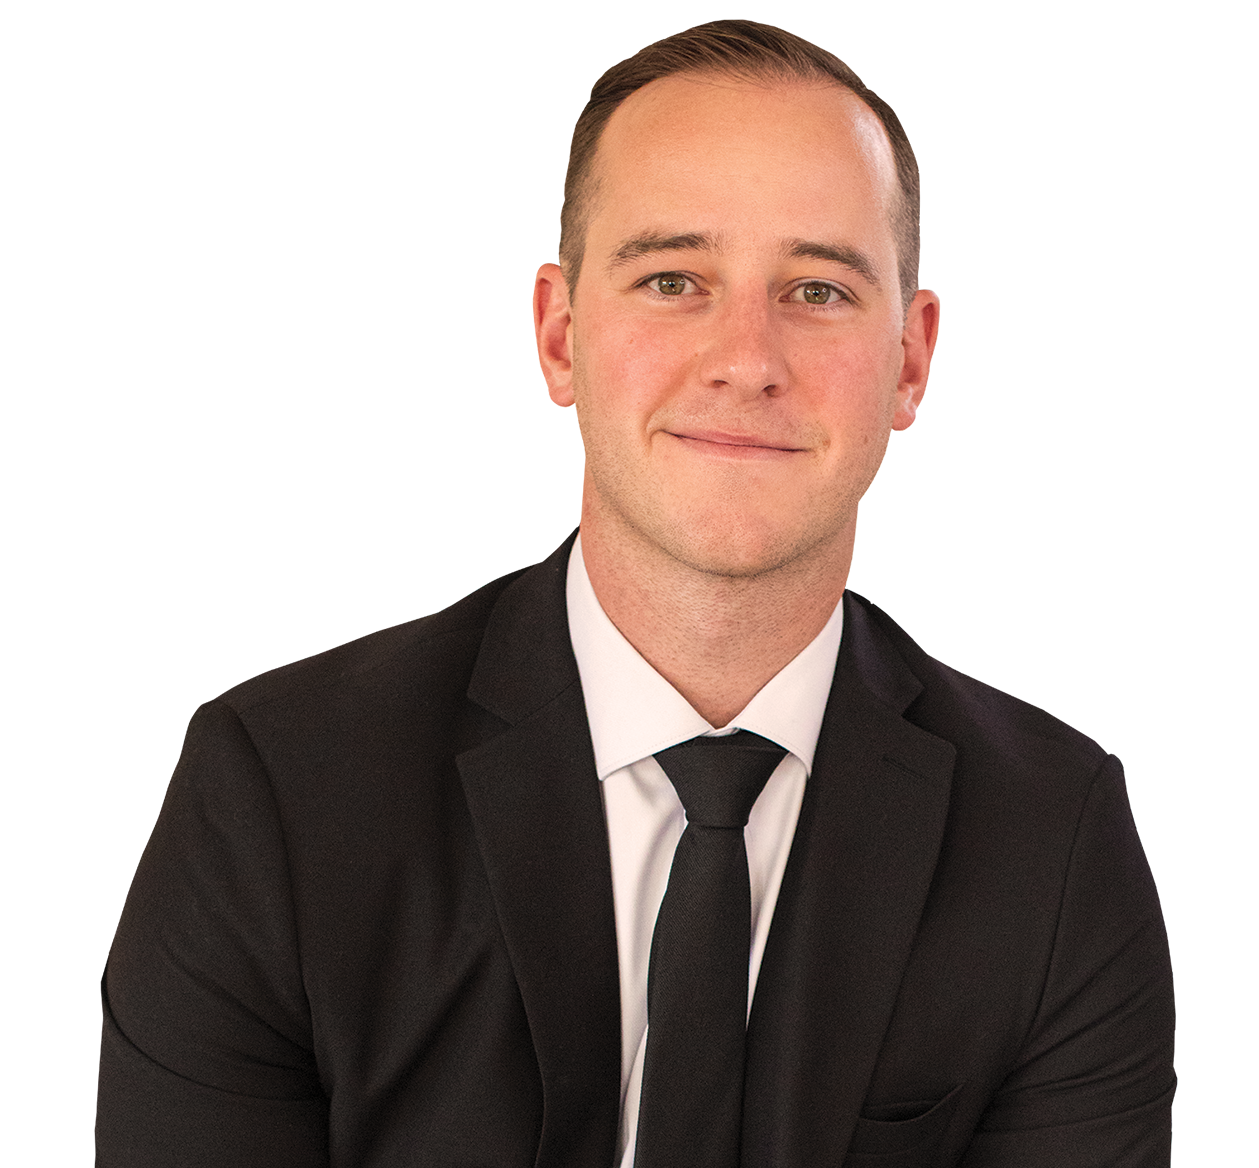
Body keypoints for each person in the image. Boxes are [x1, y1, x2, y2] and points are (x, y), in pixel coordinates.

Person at [96, 19, 1177, 1167]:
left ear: (909, 365)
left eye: (816, 290)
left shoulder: (1049, 838)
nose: (745, 357)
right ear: (558, 339)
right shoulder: (277, 787)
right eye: (672, 280)